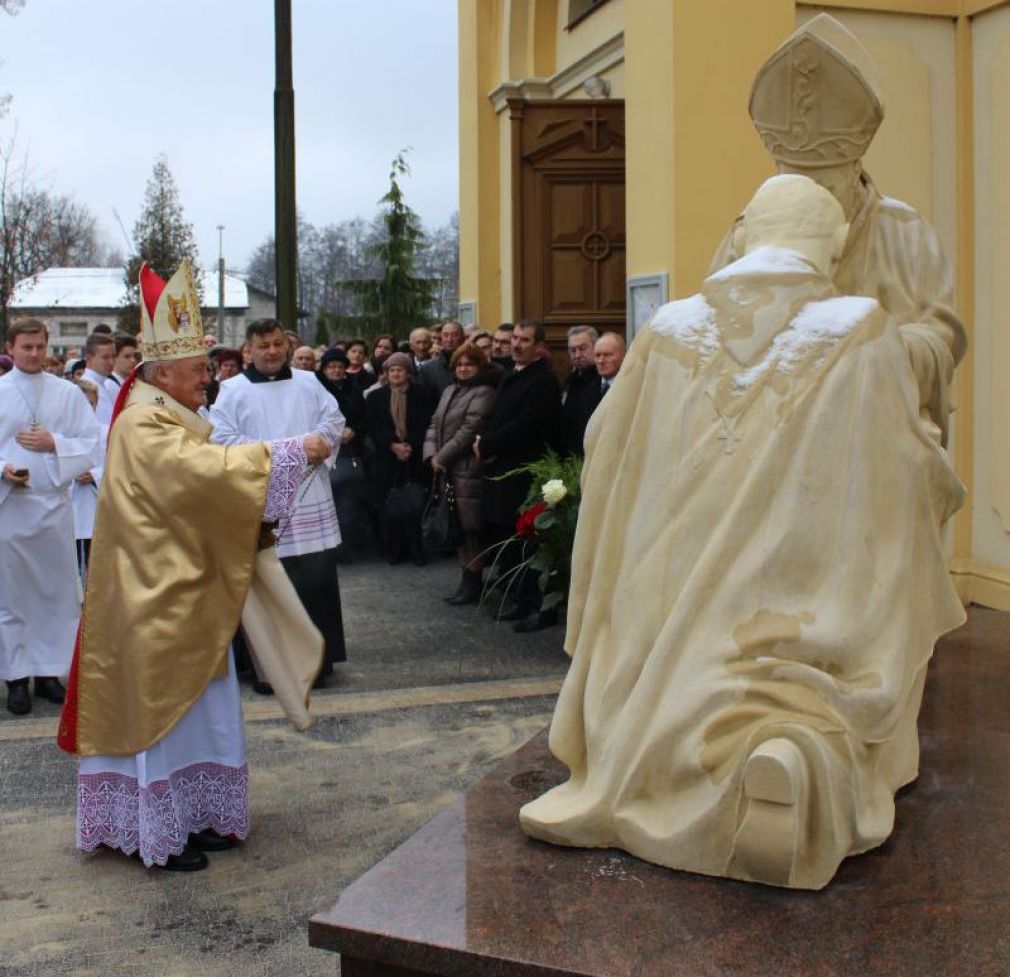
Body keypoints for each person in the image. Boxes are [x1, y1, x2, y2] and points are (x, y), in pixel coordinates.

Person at [519, 174, 967, 891]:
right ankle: (792, 751)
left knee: (652, 666)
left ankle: (656, 754)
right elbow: (901, 471)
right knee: (821, 686)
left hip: (667, 604)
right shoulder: (861, 328)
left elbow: (605, 450)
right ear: (836, 242)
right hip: (791, 590)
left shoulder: (666, 329)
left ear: (746, 233)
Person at [59, 260, 332, 871]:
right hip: (152, 595)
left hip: (189, 585)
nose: (206, 380)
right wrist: (286, 452)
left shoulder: (174, 414)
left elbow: (205, 488)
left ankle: (196, 813)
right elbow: (195, 478)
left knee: (201, 712)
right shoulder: (141, 422)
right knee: (162, 710)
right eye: (195, 370)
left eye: (205, 369)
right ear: (161, 373)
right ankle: (159, 830)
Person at [710, 13, 966, 446]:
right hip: (773, 439)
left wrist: (874, 352)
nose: (813, 198)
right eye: (797, 181)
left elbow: (943, 338)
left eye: (825, 185)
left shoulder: (904, 230)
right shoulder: (754, 226)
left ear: (854, 169)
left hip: (876, 438)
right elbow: (715, 328)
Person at [212, 318, 347, 689]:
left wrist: (322, 441)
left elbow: (333, 420)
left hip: (308, 494)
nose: (271, 352)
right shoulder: (232, 390)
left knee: (313, 579)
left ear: (285, 346)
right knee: (267, 584)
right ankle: (268, 670)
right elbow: (221, 438)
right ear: (249, 350)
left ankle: (317, 664)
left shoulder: (307, 381)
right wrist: (290, 450)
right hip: (260, 495)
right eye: (263, 346)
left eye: (276, 344)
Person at [0, 319, 102, 715]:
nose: (34, 353)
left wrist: (53, 443)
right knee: (13, 596)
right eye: (26, 347)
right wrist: (5, 468)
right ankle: (16, 678)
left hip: (54, 508)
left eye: (40, 346)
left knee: (57, 596)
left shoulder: (67, 394)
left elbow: (91, 443)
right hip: (11, 508)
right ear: (11, 347)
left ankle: (50, 674)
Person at [476, 319, 561, 632]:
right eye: (514, 338)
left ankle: (539, 607)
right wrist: (482, 440)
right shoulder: (512, 374)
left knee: (531, 544)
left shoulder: (543, 381)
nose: (516, 344)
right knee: (513, 542)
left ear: (539, 346)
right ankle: (522, 601)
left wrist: (488, 443)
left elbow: (527, 424)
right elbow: (497, 415)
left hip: (525, 471)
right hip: (503, 468)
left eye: (525, 340)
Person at [423, 343, 498, 604]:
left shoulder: (484, 392)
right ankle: (465, 580)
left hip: (468, 470)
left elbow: (469, 430)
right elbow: (434, 423)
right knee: (457, 527)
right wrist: (431, 454)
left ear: (480, 366)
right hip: (447, 470)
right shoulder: (449, 390)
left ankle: (474, 582)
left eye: (469, 364)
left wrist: (441, 457)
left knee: (471, 529)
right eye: (459, 365)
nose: (464, 369)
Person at [365, 351, 436, 565]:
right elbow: (372, 425)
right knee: (390, 506)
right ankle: (395, 549)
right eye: (392, 370)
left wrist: (409, 446)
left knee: (415, 504)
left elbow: (426, 422)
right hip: (387, 457)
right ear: (386, 373)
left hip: (414, 456)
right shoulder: (376, 396)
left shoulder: (423, 394)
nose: (396, 374)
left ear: (408, 372)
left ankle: (416, 548)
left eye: (400, 369)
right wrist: (392, 445)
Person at [70, 378, 105, 580]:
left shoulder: (106, 432)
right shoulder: (63, 433)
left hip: (94, 504)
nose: (86, 409)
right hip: (72, 504)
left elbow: (113, 465)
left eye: (90, 404)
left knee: (93, 560)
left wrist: (93, 475)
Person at [560, 325, 599, 455]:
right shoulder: (572, 379)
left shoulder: (602, 380)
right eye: (572, 350)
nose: (577, 355)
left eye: (582, 349)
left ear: (595, 347)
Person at [419, 321, 465, 396]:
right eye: (445, 335)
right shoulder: (428, 369)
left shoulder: (472, 365)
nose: (449, 340)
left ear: (462, 338)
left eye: (454, 335)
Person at [81, 332, 117, 427]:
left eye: (113, 356)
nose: (112, 362)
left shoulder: (102, 384)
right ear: (89, 358)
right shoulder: (86, 388)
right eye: (105, 357)